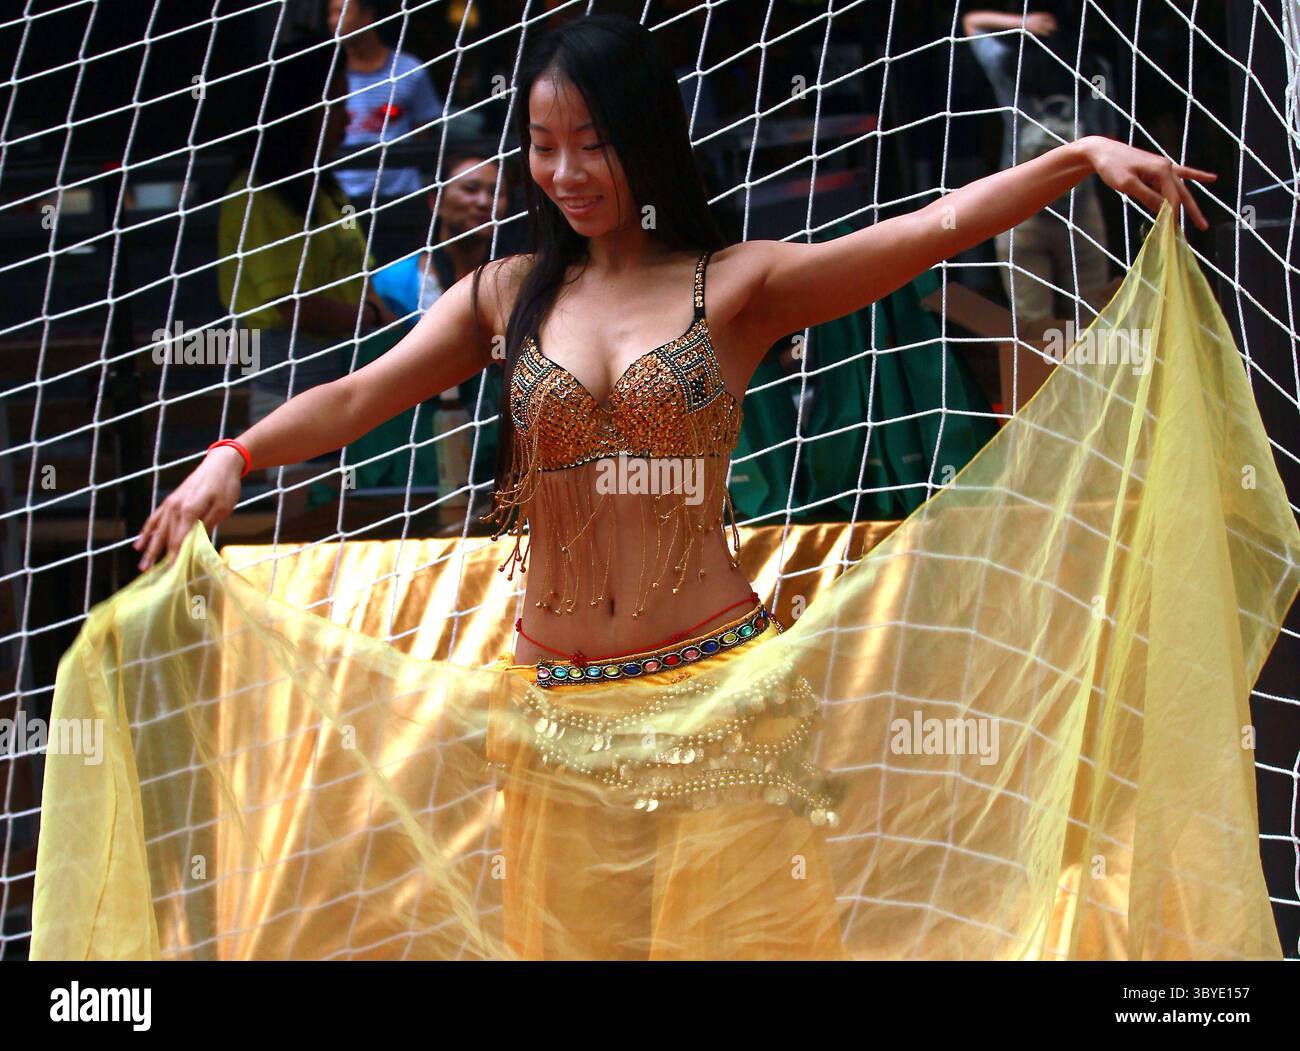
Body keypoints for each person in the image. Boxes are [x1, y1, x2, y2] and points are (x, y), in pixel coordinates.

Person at [122, 14, 1271, 962]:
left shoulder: (739, 285)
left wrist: (1078, 159)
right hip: (556, 712)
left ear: (648, 143)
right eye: (543, 144)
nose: (565, 173)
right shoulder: (502, 293)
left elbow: (935, 226)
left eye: (593, 145)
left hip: (718, 704)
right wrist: (237, 457)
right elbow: (354, 396)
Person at [216, 32, 398, 485]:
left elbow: (362, 277)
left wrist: (385, 328)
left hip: (351, 388)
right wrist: (376, 323)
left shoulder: (325, 189)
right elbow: (295, 305)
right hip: (289, 392)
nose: (346, 118)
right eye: (336, 106)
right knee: (303, 528)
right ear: (301, 113)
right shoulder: (258, 194)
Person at [368, 140, 509, 531]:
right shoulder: (392, 284)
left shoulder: (512, 285)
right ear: (436, 201)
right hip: (410, 458)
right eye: (470, 189)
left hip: (493, 457)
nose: (483, 201)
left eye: (495, 193)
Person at [963, 2, 1116, 324]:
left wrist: (1019, 23)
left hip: (1021, 211)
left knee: (1033, 327)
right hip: (1081, 211)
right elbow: (1109, 138)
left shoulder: (1007, 68)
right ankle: (1094, 375)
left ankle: (1040, 375)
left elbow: (972, 22)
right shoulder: (1095, 70)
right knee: (1093, 321)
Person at [326, 0, 444, 206]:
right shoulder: (328, 77)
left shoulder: (410, 71)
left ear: (367, 15)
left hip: (401, 196)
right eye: (330, 14)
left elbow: (423, 135)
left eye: (340, 12)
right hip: (343, 197)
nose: (333, 21)